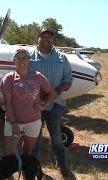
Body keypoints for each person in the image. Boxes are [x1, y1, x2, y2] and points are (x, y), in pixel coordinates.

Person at [29, 27, 74, 177]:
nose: (46, 39)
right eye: (43, 36)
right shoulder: (29, 57)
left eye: (49, 37)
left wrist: (57, 91)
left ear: (53, 39)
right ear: (38, 38)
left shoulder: (61, 58)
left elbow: (68, 80)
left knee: (56, 137)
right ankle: (31, 167)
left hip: (54, 105)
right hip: (34, 105)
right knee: (34, 138)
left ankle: (62, 165)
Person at [1, 48, 56, 157]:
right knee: (9, 155)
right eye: (18, 58)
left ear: (29, 60)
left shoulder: (37, 76)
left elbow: (52, 93)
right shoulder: (9, 78)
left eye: (24, 58)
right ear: (14, 61)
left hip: (33, 122)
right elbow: (8, 104)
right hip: (13, 122)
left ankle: (27, 174)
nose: (21, 61)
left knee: (27, 152)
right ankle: (9, 174)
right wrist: (13, 123)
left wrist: (44, 105)